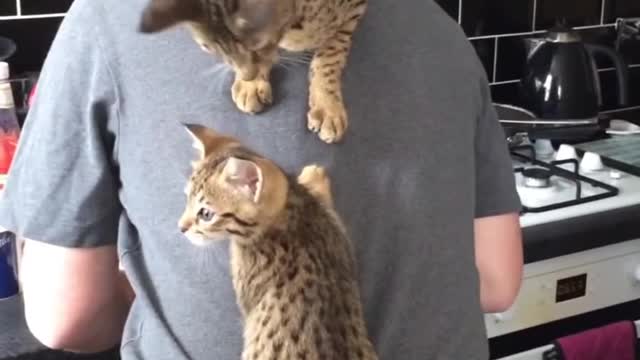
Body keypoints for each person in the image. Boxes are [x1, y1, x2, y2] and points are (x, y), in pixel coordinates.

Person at [0, 0, 523, 358]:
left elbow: (63, 314)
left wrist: (165, 277)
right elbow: (498, 280)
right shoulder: (437, 23)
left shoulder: (109, 18)